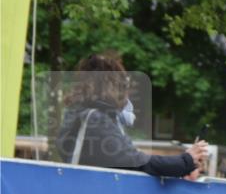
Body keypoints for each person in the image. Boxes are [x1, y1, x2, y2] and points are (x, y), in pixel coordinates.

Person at [56, 54, 208, 177]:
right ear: (109, 85)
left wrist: (185, 162)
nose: (127, 92)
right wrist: (185, 160)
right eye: (123, 83)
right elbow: (136, 161)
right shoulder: (95, 119)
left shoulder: (83, 115)